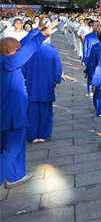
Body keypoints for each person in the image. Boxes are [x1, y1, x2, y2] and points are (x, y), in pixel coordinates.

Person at [1, 19, 58, 187]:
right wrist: (42, 36)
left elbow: (20, 45)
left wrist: (37, 29)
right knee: (10, 150)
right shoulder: (9, 63)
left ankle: (16, 176)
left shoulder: (4, 57)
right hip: (12, 115)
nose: (19, 51)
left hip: (6, 113)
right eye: (16, 51)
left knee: (16, 148)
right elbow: (26, 50)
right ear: (11, 51)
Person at [22, 37, 64, 142]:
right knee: (46, 111)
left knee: (31, 112)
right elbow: (58, 68)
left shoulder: (27, 51)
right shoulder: (53, 50)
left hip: (31, 85)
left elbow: (23, 70)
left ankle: (32, 135)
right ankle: (44, 134)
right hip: (47, 85)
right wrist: (57, 81)